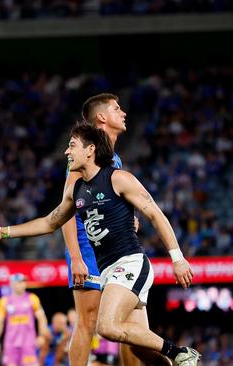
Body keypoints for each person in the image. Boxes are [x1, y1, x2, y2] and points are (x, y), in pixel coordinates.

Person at [0, 123, 201, 366]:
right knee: (139, 348)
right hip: (108, 271)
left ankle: (180, 352)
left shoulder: (118, 178)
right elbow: (50, 222)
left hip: (130, 264)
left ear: (90, 150)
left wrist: (177, 259)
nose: (66, 152)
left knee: (106, 326)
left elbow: (156, 215)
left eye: (71, 146)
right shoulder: (76, 191)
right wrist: (4, 232)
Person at [62, 93, 168, 366]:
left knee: (133, 330)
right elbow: (65, 210)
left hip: (116, 253)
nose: (123, 113)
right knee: (89, 322)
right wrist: (76, 257)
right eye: (116, 108)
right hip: (89, 249)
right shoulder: (84, 152)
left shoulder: (113, 158)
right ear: (102, 117)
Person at [0, 273, 49, 366]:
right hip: (10, 343)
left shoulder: (32, 298)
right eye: (19, 282)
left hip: (28, 342)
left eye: (23, 282)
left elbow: (42, 318)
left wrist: (42, 335)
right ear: (12, 284)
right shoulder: (4, 300)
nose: (22, 284)